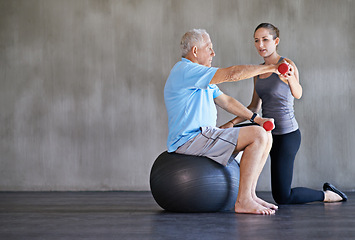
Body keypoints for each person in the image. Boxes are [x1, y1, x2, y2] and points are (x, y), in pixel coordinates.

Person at [221, 23, 347, 204]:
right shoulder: (259, 72)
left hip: (287, 136)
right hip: (266, 134)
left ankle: (328, 195)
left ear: (276, 41)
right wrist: (232, 123)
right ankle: (240, 197)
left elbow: (298, 93)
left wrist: (289, 79)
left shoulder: (286, 65)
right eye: (256, 40)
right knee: (234, 141)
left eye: (265, 39)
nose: (260, 45)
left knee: (282, 197)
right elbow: (254, 107)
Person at [164, 29, 284, 215]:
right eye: (209, 48)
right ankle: (243, 201)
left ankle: (250, 195)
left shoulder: (200, 77)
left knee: (264, 134)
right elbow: (233, 74)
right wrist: (271, 67)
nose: (213, 53)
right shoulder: (186, 70)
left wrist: (256, 119)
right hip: (190, 139)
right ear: (195, 51)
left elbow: (226, 101)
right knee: (258, 135)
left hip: (204, 135)